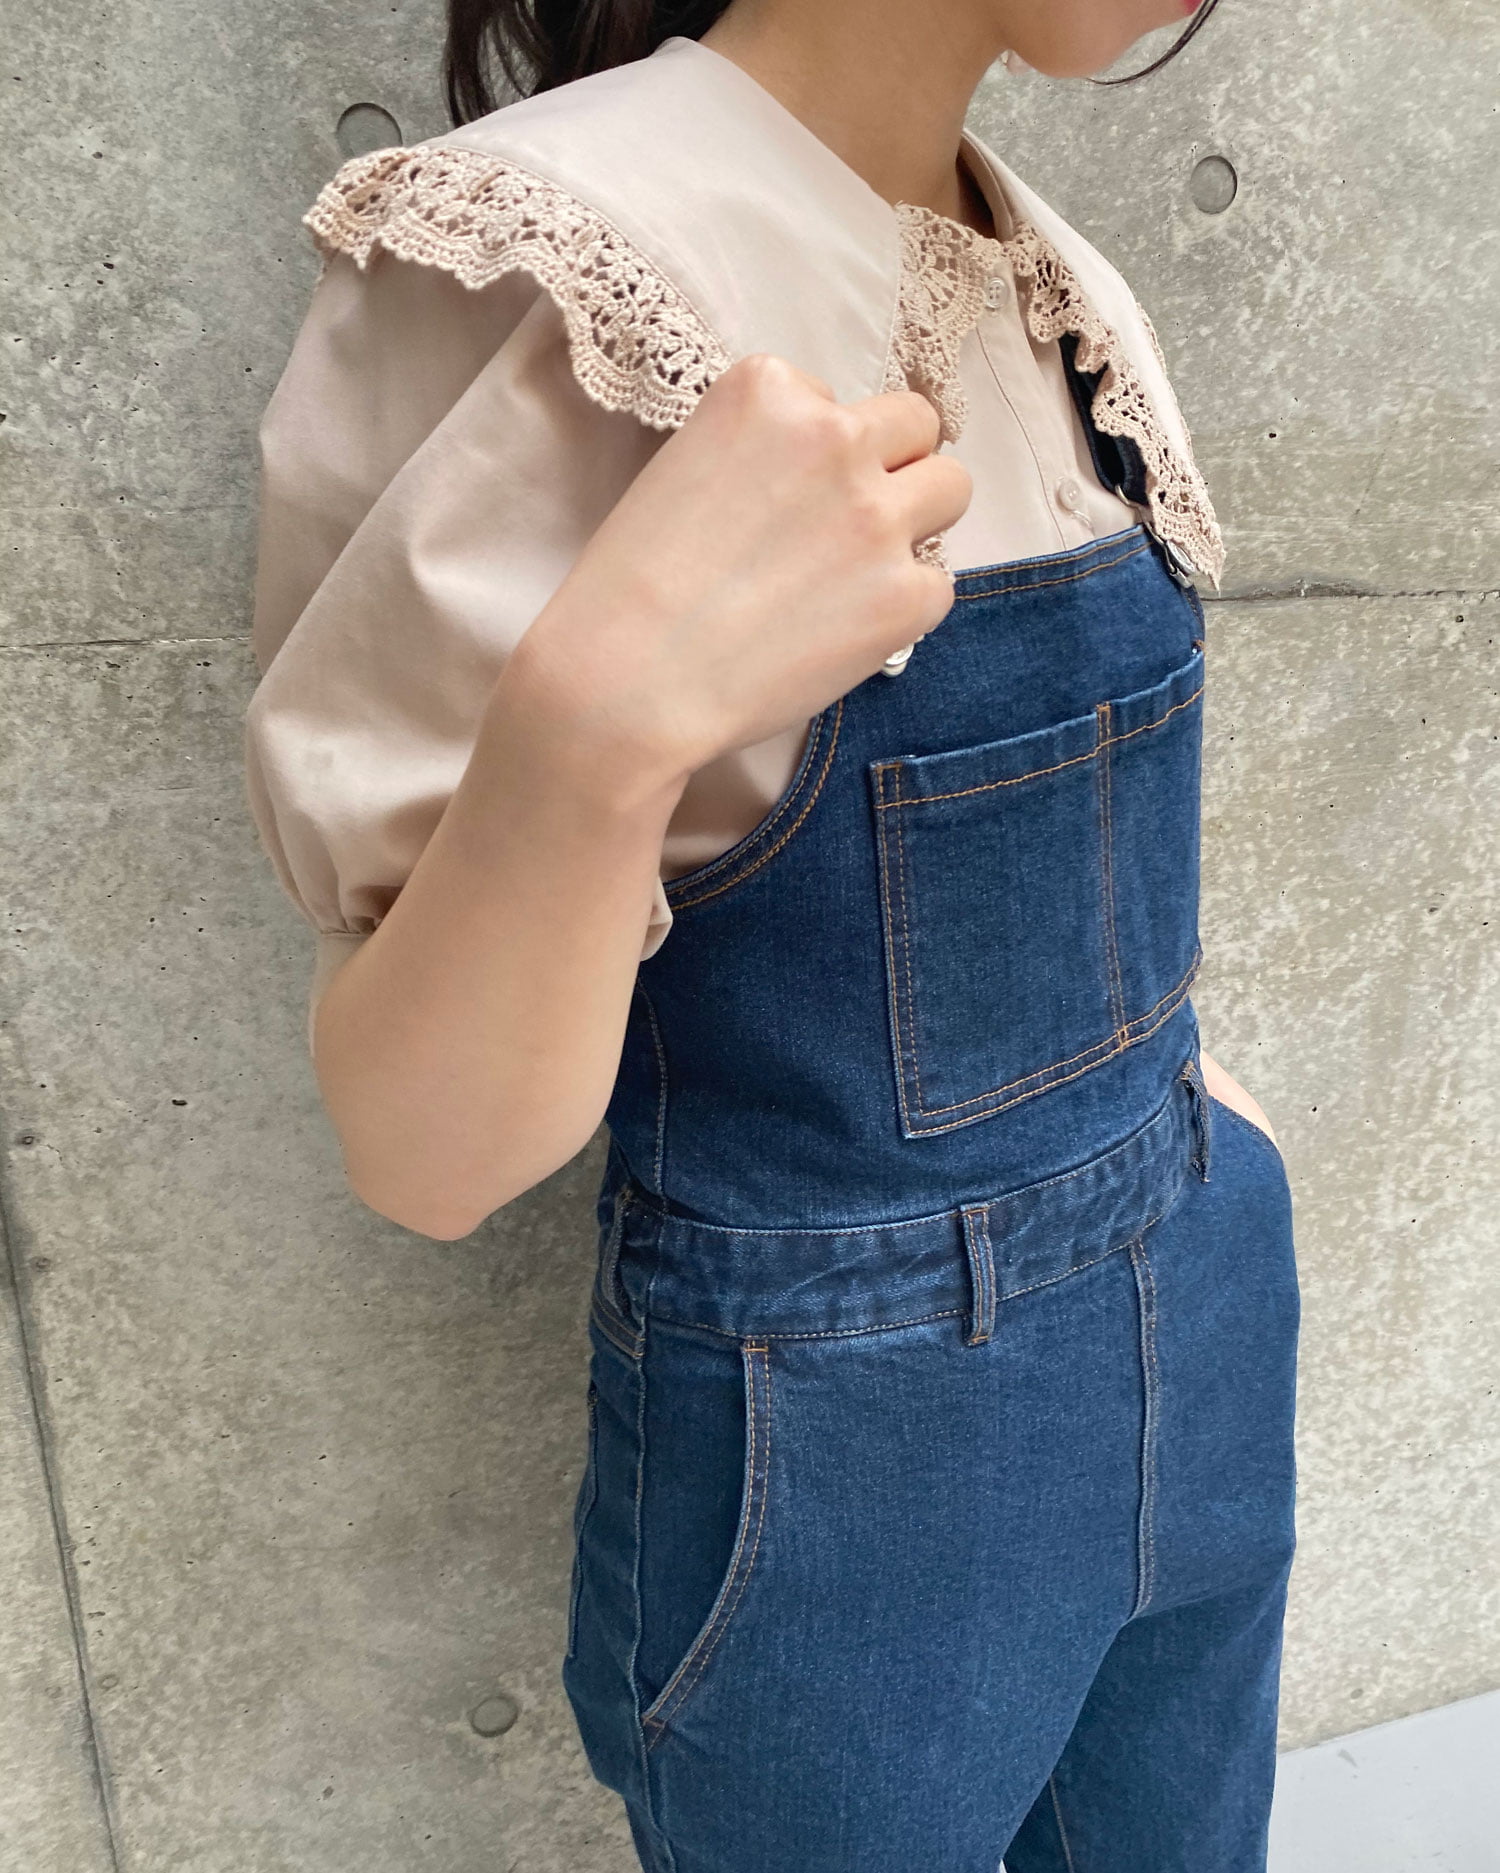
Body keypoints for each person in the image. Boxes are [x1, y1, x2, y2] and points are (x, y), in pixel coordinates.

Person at [243, 2, 1301, 1867]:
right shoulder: (555, 255)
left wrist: (1202, 1135)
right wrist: (598, 722)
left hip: (1201, 1302)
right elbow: (423, 1146)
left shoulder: (1060, 284)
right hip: (859, 1459)